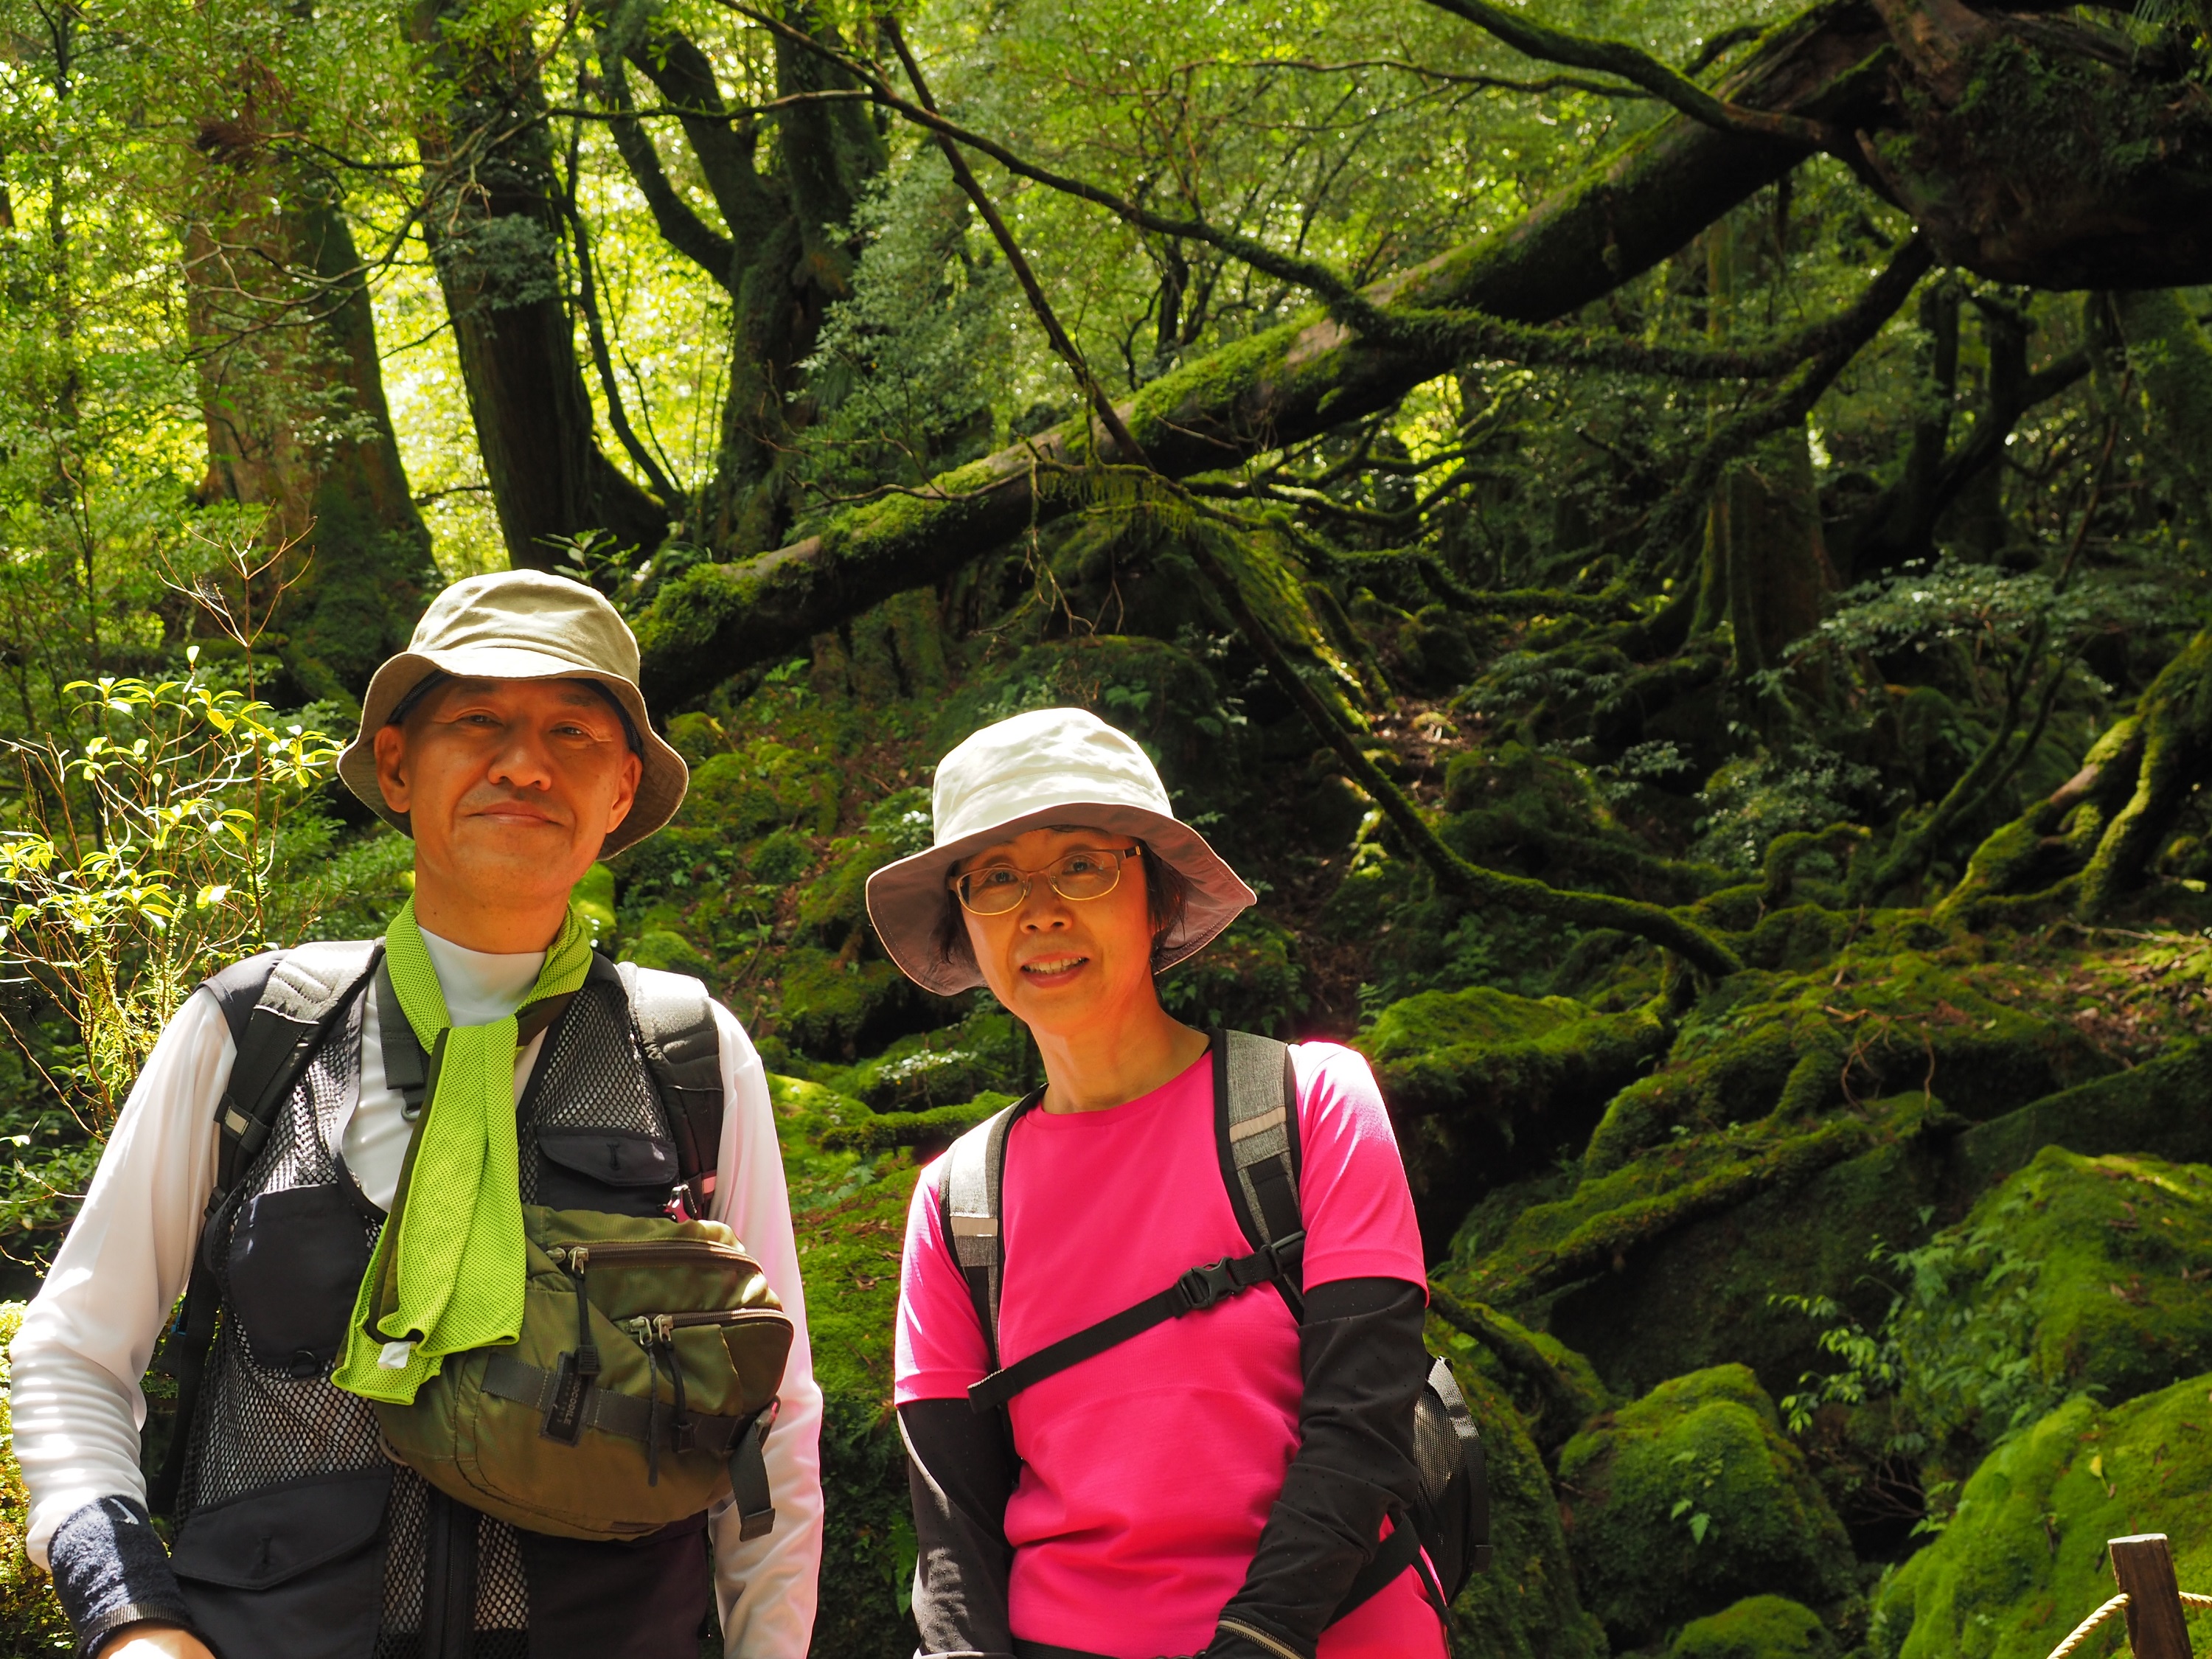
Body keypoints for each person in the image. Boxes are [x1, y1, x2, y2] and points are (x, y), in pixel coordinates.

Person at [8, 571, 824, 1659]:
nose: (525, 763)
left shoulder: (685, 1052)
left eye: (572, 733)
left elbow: (775, 1419)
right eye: (478, 718)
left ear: (623, 789)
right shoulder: (255, 1033)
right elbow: (74, 1352)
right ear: (397, 762)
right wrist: (128, 1618)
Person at [865, 706, 1444, 1659]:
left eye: (1083, 862)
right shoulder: (957, 1197)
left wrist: (1257, 1638)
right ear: (965, 926)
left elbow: (1362, 1421)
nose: (1041, 910)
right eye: (997, 878)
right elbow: (953, 1528)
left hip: (1329, 1631)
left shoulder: (1308, 1103)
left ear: (1158, 896)